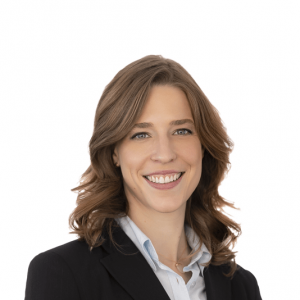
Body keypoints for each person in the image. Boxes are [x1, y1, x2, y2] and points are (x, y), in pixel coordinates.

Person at [24, 55, 262, 300]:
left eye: (181, 131)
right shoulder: (64, 273)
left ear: (203, 146)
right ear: (114, 151)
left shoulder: (240, 286)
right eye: (141, 135)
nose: (165, 154)